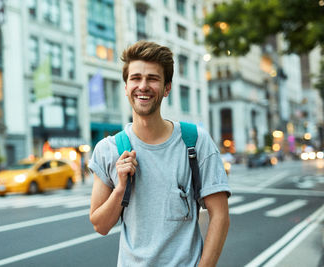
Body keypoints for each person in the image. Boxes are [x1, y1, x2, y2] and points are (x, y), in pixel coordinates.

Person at [88, 41, 231, 266]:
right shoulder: (108, 149)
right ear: (126, 87)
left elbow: (220, 216)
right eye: (135, 78)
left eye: (152, 79)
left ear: (167, 88)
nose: (143, 86)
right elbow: (100, 225)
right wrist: (121, 188)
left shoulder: (195, 141)